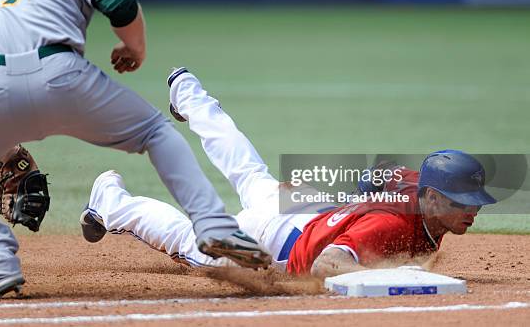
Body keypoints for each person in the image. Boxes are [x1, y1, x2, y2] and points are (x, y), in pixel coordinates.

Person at [0, 0, 269, 299]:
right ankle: (214, 226)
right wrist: (134, 48)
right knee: (155, 132)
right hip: (62, 75)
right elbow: (119, 2)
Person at [81, 67, 497, 276]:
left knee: (247, 170)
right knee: (189, 242)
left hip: (303, 210)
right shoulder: (388, 227)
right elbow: (324, 267)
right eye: (464, 201)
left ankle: (188, 94)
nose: (473, 210)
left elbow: (374, 176)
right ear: (433, 197)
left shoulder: (414, 182)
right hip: (268, 243)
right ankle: (112, 202)